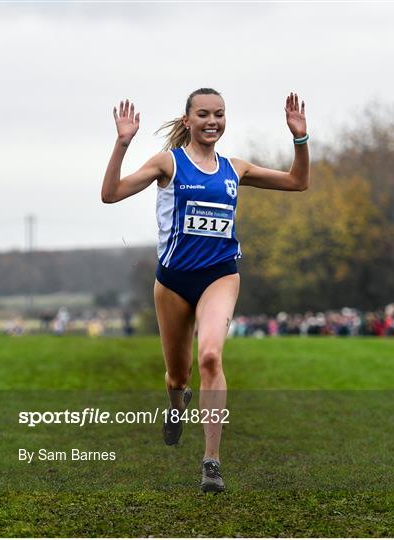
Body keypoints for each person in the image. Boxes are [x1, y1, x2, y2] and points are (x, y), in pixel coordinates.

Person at [101, 88, 309, 492]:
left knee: (211, 355)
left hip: (220, 274)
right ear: (187, 121)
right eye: (203, 115)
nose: (212, 121)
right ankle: (176, 405)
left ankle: (211, 461)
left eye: (219, 114)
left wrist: (299, 138)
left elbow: (299, 182)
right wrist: (122, 143)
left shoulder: (236, 168)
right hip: (174, 281)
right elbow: (110, 194)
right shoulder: (168, 164)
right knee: (178, 377)